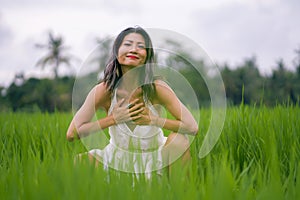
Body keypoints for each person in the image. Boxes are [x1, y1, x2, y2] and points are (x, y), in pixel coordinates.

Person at [66, 26, 198, 177]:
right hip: (117, 158)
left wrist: (151, 120)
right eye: (128, 44)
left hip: (155, 158)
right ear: (117, 52)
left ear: (147, 56)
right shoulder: (104, 91)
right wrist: (113, 119)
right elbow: (72, 134)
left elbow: (192, 127)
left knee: (179, 140)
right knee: (78, 162)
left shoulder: (157, 88)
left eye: (141, 46)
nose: (134, 49)